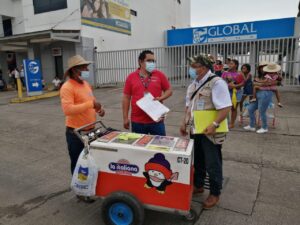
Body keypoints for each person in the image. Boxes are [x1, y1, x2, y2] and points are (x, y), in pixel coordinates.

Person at [180, 54, 231, 209]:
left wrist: (215, 124)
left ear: (203, 68)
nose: (191, 69)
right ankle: (199, 185)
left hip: (211, 131)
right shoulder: (193, 85)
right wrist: (184, 122)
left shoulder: (217, 83)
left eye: (194, 66)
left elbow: (226, 107)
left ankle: (215, 193)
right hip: (196, 129)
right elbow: (189, 106)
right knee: (198, 160)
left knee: (212, 162)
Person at [60, 55, 105, 203]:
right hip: (76, 132)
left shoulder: (86, 84)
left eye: (87, 66)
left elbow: (90, 102)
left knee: (90, 161)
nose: (87, 69)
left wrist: (99, 110)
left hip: (91, 130)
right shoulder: (67, 87)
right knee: (78, 162)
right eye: (84, 67)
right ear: (74, 70)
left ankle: (88, 186)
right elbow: (68, 110)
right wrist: (91, 104)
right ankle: (79, 191)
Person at [122, 50, 172, 135]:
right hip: (137, 121)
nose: (152, 63)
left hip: (157, 120)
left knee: (159, 146)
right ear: (140, 62)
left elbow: (169, 90)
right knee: (139, 147)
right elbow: (126, 98)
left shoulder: (159, 75)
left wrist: (161, 98)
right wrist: (125, 118)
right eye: (149, 61)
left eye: (153, 61)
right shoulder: (131, 77)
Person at [244, 62, 278, 134]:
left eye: (263, 67)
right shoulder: (260, 76)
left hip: (265, 94)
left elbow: (269, 83)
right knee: (250, 108)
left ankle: (264, 127)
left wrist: (258, 83)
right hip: (257, 94)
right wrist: (259, 84)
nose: (262, 69)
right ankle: (251, 125)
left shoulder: (272, 76)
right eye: (261, 67)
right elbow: (254, 83)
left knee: (262, 111)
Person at [221, 59, 245, 128]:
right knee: (225, 107)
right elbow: (221, 82)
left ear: (236, 65)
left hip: (236, 92)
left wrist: (235, 86)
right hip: (226, 92)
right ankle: (224, 121)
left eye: (231, 64)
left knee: (234, 108)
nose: (229, 65)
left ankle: (232, 123)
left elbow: (243, 83)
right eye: (229, 64)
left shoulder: (240, 73)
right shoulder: (225, 73)